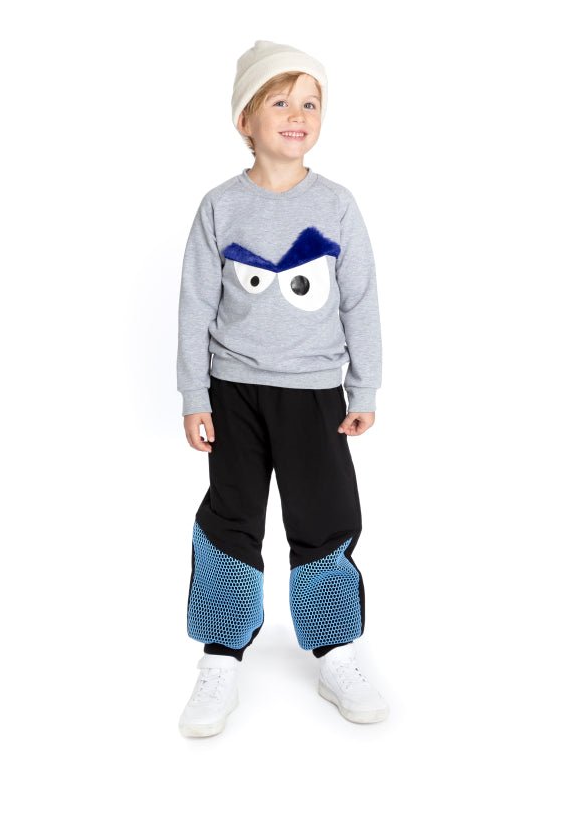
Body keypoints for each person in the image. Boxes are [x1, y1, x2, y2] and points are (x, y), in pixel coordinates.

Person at [176, 39, 388, 737]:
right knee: (230, 518)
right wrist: (195, 395)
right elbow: (195, 305)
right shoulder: (219, 207)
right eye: (280, 101)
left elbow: (360, 300)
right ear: (245, 118)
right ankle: (220, 658)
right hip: (233, 391)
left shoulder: (337, 205)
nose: (297, 115)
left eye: (310, 103)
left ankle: (337, 652)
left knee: (325, 517)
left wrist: (364, 387)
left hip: (314, 392)